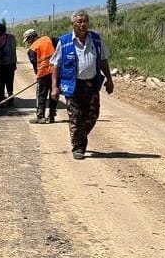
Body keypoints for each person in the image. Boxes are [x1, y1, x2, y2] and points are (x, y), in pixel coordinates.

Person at [50, 10, 115, 160]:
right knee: (76, 117)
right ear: (73, 24)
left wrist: (110, 80)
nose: (82, 24)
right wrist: (54, 87)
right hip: (73, 85)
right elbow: (55, 66)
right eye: (79, 22)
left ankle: (80, 136)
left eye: (85, 21)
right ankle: (78, 147)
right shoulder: (64, 41)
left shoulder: (96, 40)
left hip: (92, 84)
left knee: (93, 115)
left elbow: (103, 60)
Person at [23, 28, 58, 124]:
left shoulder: (32, 49)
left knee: (41, 95)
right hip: (55, 71)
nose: (28, 43)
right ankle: (51, 116)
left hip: (42, 74)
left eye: (28, 40)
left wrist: (38, 76)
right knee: (53, 94)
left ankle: (40, 116)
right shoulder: (49, 39)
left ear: (31, 37)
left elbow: (35, 65)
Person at [0, 23, 17, 106]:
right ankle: (11, 99)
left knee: (1, 83)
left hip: (4, 65)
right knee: (10, 82)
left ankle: (1, 101)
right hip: (12, 64)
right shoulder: (12, 38)